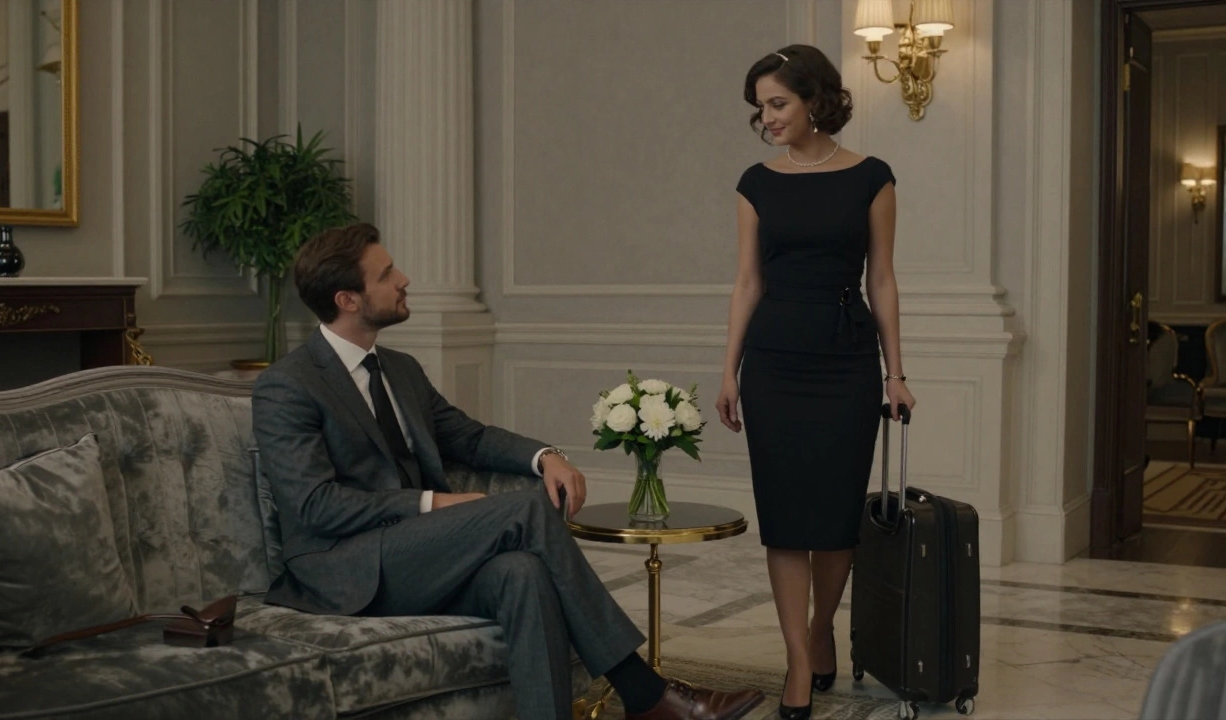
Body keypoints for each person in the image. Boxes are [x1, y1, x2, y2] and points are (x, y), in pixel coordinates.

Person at [252, 222, 765, 720]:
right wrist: (435, 503)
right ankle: (644, 691)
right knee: (524, 508)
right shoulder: (290, 385)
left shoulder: (400, 369)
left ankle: (628, 700)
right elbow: (314, 506)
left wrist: (547, 456)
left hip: (418, 551)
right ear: (348, 300)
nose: (404, 278)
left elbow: (468, 437)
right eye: (387, 274)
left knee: (523, 574)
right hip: (347, 569)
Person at [714, 45, 916, 720]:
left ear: (816, 101)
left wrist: (896, 372)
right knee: (786, 521)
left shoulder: (872, 178)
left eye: (778, 103)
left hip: (844, 359)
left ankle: (821, 624)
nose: (766, 118)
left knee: (833, 522)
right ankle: (799, 659)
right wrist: (729, 370)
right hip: (773, 361)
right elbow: (748, 281)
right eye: (760, 107)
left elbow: (882, 278)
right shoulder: (756, 182)